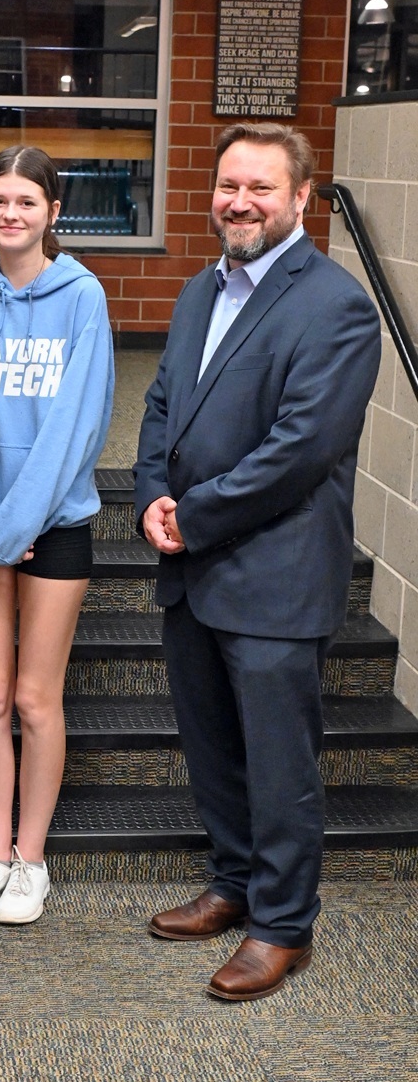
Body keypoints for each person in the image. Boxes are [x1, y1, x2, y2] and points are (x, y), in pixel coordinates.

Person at [135, 122, 381, 1000]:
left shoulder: (337, 306)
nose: (240, 201)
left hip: (274, 573)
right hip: (194, 569)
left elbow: (300, 449)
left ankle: (283, 925)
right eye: (229, 184)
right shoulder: (204, 289)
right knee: (213, 748)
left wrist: (192, 516)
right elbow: (164, 402)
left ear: (302, 199)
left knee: (279, 764)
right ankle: (235, 883)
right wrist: (151, 497)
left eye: (262, 188)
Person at [0, 146, 114, 927]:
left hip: (53, 524)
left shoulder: (83, 297)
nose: (9, 215)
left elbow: (78, 425)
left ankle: (32, 859)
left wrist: (17, 521)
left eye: (25, 202)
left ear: (54, 211)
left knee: (33, 697)